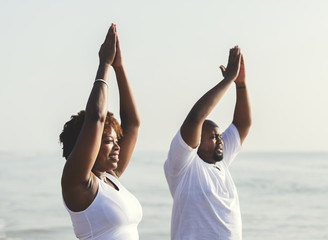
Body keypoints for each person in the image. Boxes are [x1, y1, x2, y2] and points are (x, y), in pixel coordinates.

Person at [59, 23, 142, 240]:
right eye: (107, 140)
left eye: (116, 140)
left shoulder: (111, 177)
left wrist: (119, 67)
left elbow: (132, 124)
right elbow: (96, 117)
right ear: (88, 143)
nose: (117, 146)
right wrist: (104, 64)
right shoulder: (79, 184)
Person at [164, 46, 251, 240]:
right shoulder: (183, 166)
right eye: (212, 137)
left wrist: (241, 84)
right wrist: (227, 81)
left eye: (219, 136)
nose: (219, 140)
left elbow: (242, 125)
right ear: (196, 143)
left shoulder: (220, 162)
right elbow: (195, 118)